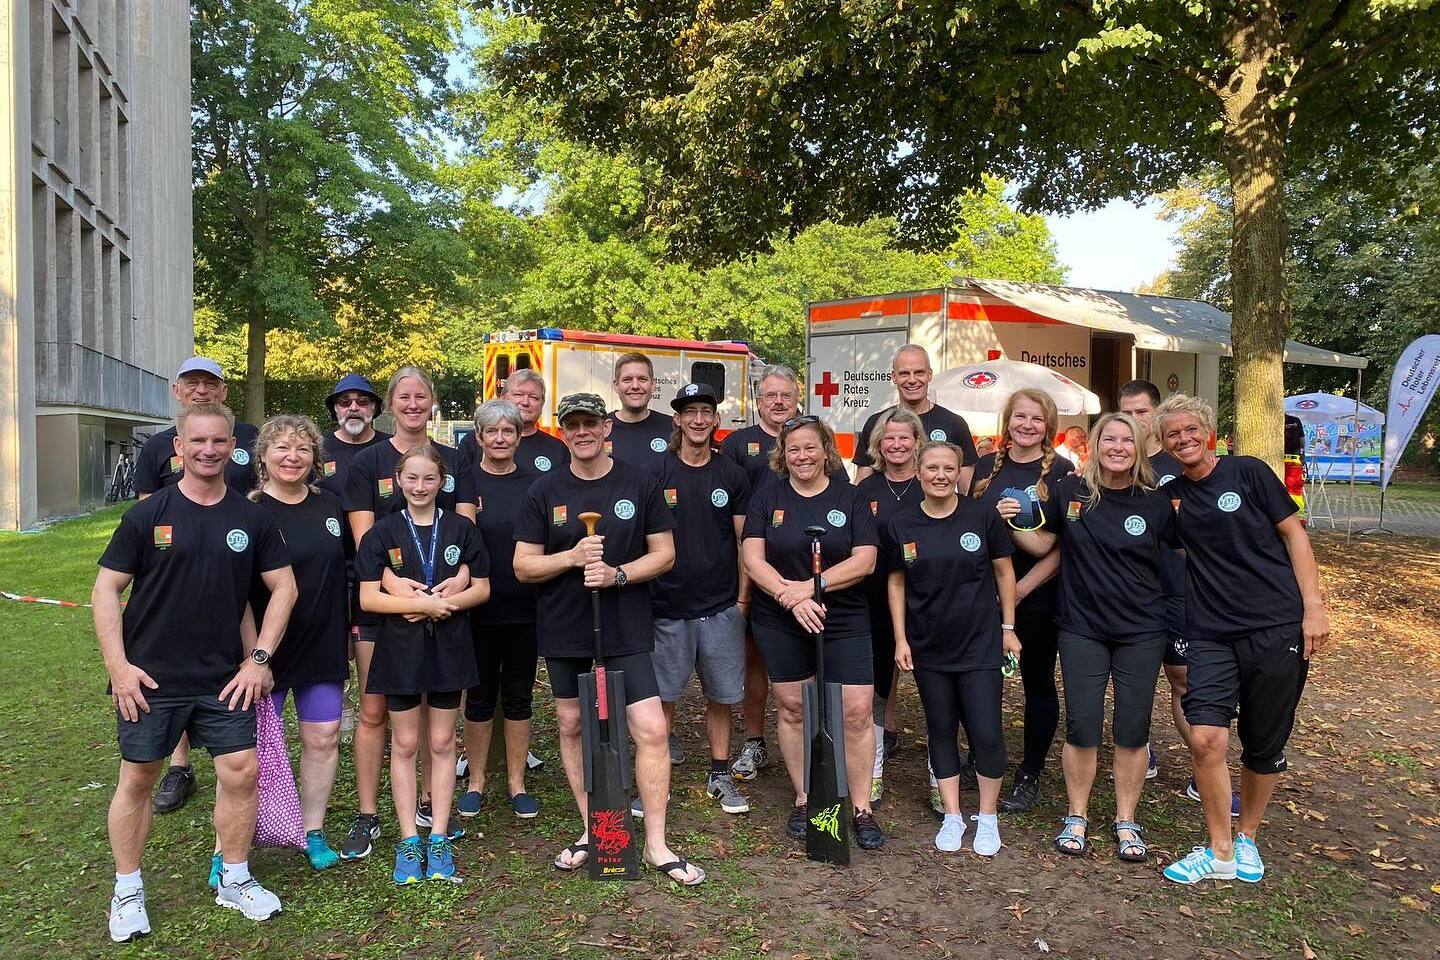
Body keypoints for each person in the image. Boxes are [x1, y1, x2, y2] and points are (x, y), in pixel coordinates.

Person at [95, 402, 297, 941]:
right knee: (138, 778)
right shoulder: (147, 515)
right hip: (150, 678)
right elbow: (106, 589)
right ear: (178, 448)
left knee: (242, 771)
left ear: (233, 447)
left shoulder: (252, 518)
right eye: (197, 442)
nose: (208, 451)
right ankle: (127, 890)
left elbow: (284, 589)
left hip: (222, 677)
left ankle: (234, 877)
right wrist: (119, 669)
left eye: (218, 442)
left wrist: (259, 659)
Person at [513, 393, 705, 885]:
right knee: (574, 725)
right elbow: (523, 565)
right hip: (565, 628)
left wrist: (617, 575)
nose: (582, 432)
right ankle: (592, 828)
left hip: (625, 627)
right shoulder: (543, 490)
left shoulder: (640, 484)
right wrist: (572, 559)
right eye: (572, 424)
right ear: (563, 432)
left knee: (651, 729)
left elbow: (664, 554)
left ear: (606, 430)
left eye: (590, 423)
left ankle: (658, 844)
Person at [1157, 395, 1331, 885]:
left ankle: (1248, 837)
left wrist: (1313, 607)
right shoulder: (1171, 495)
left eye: (1192, 429)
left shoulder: (1249, 472)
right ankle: (1219, 847)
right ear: (1165, 444)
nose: (1184, 439)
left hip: (1276, 625)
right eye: (1173, 434)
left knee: (1263, 738)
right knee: (1207, 737)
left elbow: (1294, 535)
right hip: (1210, 631)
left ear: (1208, 432)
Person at [1006, 414, 1175, 863]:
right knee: (1082, 725)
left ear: (1139, 447)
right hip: (1082, 628)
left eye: (1127, 440)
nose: (1117, 447)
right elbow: (1047, 547)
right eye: (1109, 439)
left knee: (1132, 728)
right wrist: (1010, 523)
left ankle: (1126, 820)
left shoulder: (1157, 503)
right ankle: (1076, 816)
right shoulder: (1071, 492)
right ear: (1095, 445)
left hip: (1141, 630)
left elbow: (1181, 560)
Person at [339, 367, 475, 860]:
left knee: (435, 719)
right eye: (404, 397)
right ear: (390, 403)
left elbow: (466, 533)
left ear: (432, 403)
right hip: (388, 604)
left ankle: (427, 806)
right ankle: (369, 816)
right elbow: (363, 539)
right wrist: (399, 591)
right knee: (378, 712)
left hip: (441, 604)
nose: (413, 404)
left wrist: (456, 583)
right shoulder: (367, 461)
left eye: (421, 397)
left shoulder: (458, 459)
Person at [741, 416, 885, 850]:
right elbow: (753, 559)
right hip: (780, 617)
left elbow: (865, 560)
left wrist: (811, 587)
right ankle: (806, 798)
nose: (802, 456)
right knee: (793, 708)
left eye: (810, 447)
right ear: (782, 455)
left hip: (844, 618)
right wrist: (792, 599)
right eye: (793, 449)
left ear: (826, 450)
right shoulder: (767, 498)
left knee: (856, 713)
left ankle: (860, 807)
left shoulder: (852, 498)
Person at [357, 444, 490, 883]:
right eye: (411, 479)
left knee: (442, 742)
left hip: (449, 646)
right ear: (398, 480)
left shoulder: (461, 528)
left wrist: (442, 608)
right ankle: (409, 839)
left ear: (442, 483)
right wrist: (412, 605)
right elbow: (367, 595)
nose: (419, 487)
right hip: (400, 651)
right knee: (407, 744)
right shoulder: (382, 531)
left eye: (428, 479)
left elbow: (483, 588)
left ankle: (437, 836)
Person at [135, 357, 261, 816]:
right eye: (193, 384)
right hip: (180, 579)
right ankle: (181, 764)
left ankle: (243, 756)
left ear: (224, 393)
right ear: (177, 391)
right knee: (180, 666)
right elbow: (149, 523)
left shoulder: (250, 437)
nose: (202, 391)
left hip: (243, 563)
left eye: (211, 384)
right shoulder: (154, 450)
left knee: (237, 670)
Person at [887, 441, 1017, 855]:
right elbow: (896, 582)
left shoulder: (981, 516)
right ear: (918, 472)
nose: (940, 476)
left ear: (959, 471)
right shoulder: (901, 523)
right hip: (929, 646)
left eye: (948, 468)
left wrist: (1008, 627)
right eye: (932, 468)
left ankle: (988, 817)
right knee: (941, 730)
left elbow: (1004, 572)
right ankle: (953, 815)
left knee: (986, 731)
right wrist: (901, 638)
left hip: (979, 643)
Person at [1119, 379, 1240, 814]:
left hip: (1184, 590)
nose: (1134, 422)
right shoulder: (1121, 462)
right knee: (1133, 675)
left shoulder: (1181, 468)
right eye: (1126, 413)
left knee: (1184, 679)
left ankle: (1201, 770)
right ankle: (1141, 745)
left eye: (1142, 413)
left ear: (1158, 415)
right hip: (1134, 595)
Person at [248, 415, 351, 875]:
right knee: (247, 754)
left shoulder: (330, 505)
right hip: (265, 652)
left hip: (323, 645)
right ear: (264, 457)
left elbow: (342, 572)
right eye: (283, 449)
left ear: (316, 459)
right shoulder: (247, 512)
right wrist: (254, 657)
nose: (293, 457)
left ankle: (311, 829)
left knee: (323, 737)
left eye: (303, 449)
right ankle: (227, 844)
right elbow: (236, 596)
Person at [649, 382, 752, 813]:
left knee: (722, 697)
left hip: (720, 606)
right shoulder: (656, 472)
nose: (697, 419)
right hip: (666, 606)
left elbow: (747, 542)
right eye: (689, 411)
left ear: (716, 419)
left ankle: (720, 774)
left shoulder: (731, 473)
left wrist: (743, 601)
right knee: (663, 699)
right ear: (677, 419)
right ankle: (657, 779)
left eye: (705, 411)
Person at [971, 388, 1075, 813]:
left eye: (1035, 418)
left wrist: (1018, 589)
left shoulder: (1064, 473)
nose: (1026, 425)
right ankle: (983, 759)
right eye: (1019, 417)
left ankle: (1030, 771)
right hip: (981, 596)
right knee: (980, 681)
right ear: (1007, 423)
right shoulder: (983, 468)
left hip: (1035, 596)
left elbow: (1062, 548)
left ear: (1048, 425)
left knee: (1036, 683)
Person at [457, 400, 543, 820]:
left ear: (519, 435)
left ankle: (516, 783)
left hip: (525, 607)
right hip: (478, 608)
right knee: (478, 697)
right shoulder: (464, 483)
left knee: (518, 697)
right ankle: (475, 782)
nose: (500, 438)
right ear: (479, 437)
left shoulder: (536, 484)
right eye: (491, 432)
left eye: (508, 431)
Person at [719, 364, 801, 782]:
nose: (779, 402)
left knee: (807, 664)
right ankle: (755, 742)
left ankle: (809, 738)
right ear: (759, 399)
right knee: (755, 661)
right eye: (770, 396)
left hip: (805, 570)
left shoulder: (812, 438)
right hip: (751, 567)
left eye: (786, 394)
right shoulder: (737, 444)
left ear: (797, 395)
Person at [853, 407, 925, 802]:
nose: (897, 445)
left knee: (937, 690)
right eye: (889, 438)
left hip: (928, 603)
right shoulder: (865, 491)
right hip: (875, 603)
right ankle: (874, 767)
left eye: (905, 438)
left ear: (918, 442)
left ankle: (939, 775)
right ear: (878, 444)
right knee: (877, 689)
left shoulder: (932, 483)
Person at [851, 345, 978, 491]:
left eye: (919, 372)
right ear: (894, 376)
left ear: (929, 374)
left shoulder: (955, 423)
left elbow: (967, 489)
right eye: (904, 373)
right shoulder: (876, 423)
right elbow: (861, 483)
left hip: (936, 513)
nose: (912, 380)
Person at [455, 368, 569, 478]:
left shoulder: (557, 449)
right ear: (502, 397)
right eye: (518, 395)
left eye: (533, 397)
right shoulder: (474, 441)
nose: (525, 402)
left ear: (542, 404)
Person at [608, 353, 674, 466]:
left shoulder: (673, 428)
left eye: (642, 379)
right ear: (616, 385)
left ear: (653, 385)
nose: (635, 386)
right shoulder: (599, 429)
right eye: (627, 379)